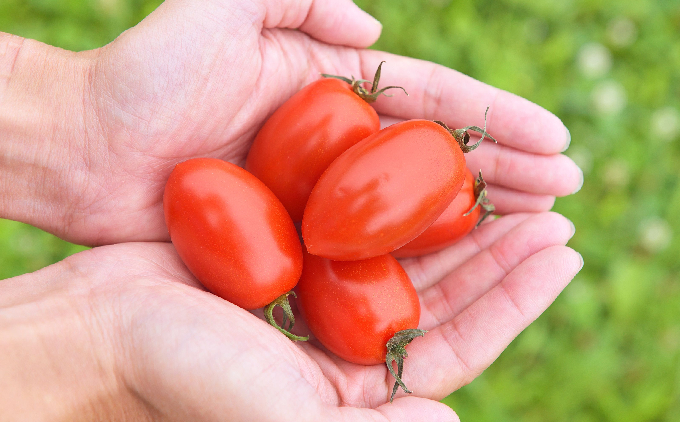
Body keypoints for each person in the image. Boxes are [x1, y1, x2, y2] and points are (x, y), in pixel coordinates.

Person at [0, 0, 583, 420]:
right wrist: (107, 356)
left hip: (315, 233)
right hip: (310, 230)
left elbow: (333, 225)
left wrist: (76, 123)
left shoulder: (356, 211)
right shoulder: (326, 224)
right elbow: (323, 223)